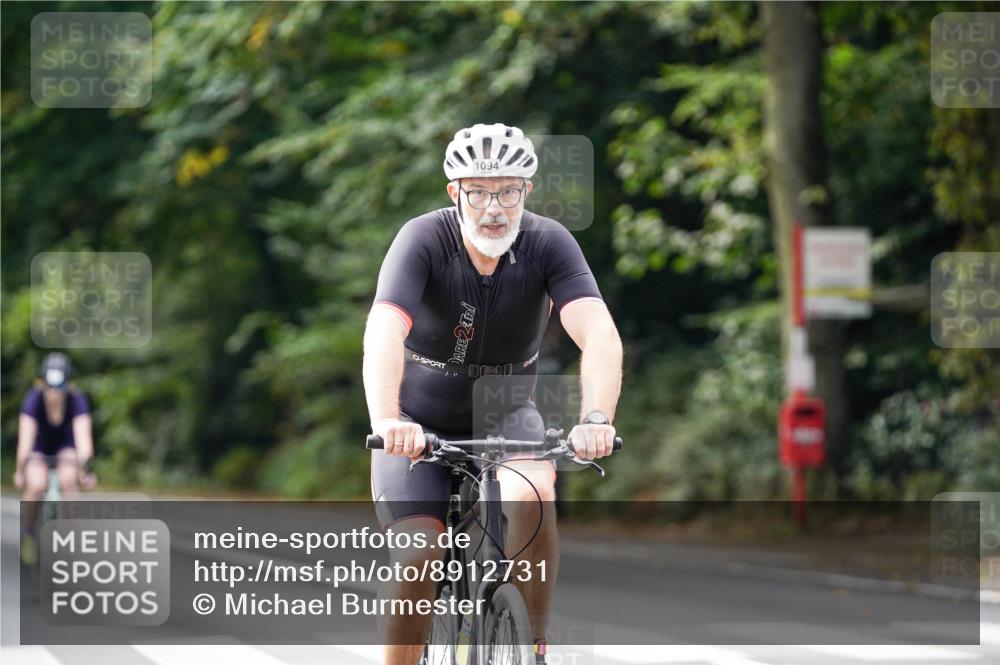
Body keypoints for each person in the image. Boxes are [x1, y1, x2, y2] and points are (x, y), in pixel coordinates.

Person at [364, 123, 623, 665]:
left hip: (510, 416)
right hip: (419, 424)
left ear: (526, 191)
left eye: (507, 190)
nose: (493, 208)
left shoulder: (549, 242)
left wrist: (597, 416)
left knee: (533, 493)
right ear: (455, 192)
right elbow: (384, 330)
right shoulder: (423, 239)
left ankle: (533, 645)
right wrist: (388, 420)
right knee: (418, 559)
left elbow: (597, 333)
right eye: (478, 191)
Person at [14, 352, 96, 564]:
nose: (53, 392)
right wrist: (20, 470)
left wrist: (85, 469)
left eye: (58, 387)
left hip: (65, 447)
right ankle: (29, 532)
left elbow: (83, 439)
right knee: (37, 485)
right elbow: (25, 440)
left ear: (68, 384)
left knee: (69, 480)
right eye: (49, 386)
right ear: (42, 383)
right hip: (38, 447)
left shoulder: (77, 401)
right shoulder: (33, 400)